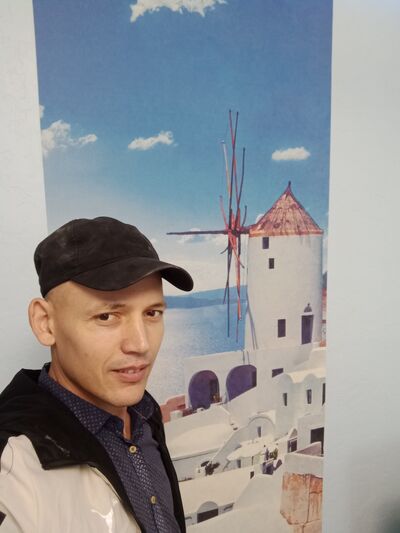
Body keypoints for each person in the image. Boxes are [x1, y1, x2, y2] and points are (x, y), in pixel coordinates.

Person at [0, 216, 194, 533]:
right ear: (45, 323)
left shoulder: (145, 417)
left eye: (152, 313)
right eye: (106, 316)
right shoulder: (12, 466)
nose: (141, 344)